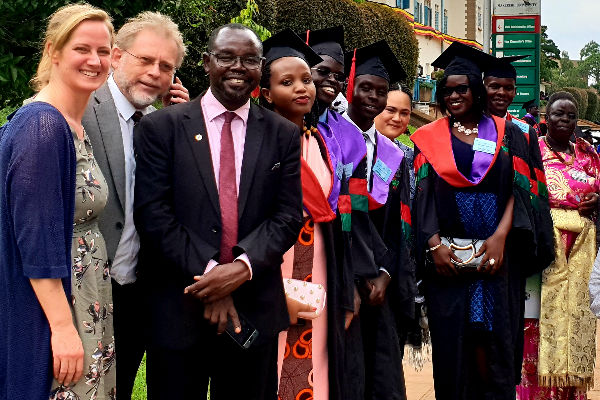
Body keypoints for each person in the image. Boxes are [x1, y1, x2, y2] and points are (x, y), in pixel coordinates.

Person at [133, 23, 303, 399]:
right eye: (226, 57)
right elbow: (153, 215)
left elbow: (288, 216)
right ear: (207, 62)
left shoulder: (283, 134)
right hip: (178, 308)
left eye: (249, 59)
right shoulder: (162, 128)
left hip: (253, 313)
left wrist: (239, 270)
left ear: (261, 67)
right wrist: (213, 277)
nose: (238, 67)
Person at [410, 42, 553, 399]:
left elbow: (521, 193)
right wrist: (433, 245)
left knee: (495, 346)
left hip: (497, 259)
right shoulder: (428, 139)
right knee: (453, 347)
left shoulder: (511, 135)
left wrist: (502, 237)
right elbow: (422, 198)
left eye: (463, 88)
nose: (455, 95)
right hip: (448, 261)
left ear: (477, 90)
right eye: (448, 90)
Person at [0, 4, 115, 399]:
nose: (95, 60)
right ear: (53, 51)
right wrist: (63, 328)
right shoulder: (43, 126)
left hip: (83, 294)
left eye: (104, 51)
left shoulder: (72, 124)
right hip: (55, 306)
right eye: (82, 48)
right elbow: (33, 238)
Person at [82, 11, 189, 399]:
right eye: (145, 59)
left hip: (142, 295)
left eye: (166, 66)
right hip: (87, 291)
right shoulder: (81, 108)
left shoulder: (167, 125)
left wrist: (187, 123)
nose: (155, 72)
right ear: (116, 56)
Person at [257, 27, 351, 400]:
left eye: (305, 80)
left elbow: (339, 212)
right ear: (265, 93)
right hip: (274, 268)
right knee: (276, 361)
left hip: (321, 266)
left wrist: (347, 287)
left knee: (319, 360)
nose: (303, 88)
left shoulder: (321, 143)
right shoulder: (257, 145)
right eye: (287, 82)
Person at [343, 40, 414, 400]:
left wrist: (386, 273)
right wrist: (352, 277)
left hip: (380, 284)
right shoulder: (331, 141)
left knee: (383, 377)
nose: (372, 97)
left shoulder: (394, 154)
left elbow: (397, 224)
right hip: (342, 278)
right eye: (365, 88)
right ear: (349, 87)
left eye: (380, 91)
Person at [517, 91, 599, 400]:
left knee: (576, 318)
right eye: (557, 114)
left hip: (582, 249)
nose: (564, 120)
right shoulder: (533, 151)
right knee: (535, 321)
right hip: (542, 248)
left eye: (570, 116)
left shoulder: (589, 153)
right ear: (545, 118)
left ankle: (569, 392)